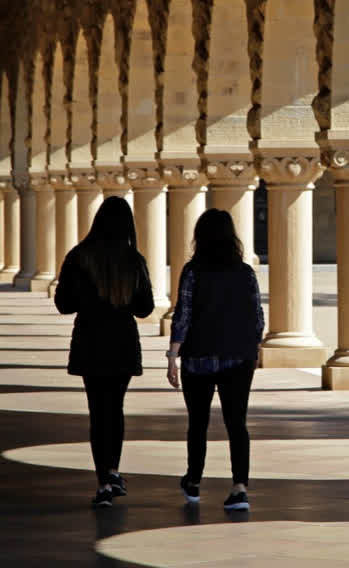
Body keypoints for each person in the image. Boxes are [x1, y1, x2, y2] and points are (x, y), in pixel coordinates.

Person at [54, 196, 155, 508]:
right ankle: (113, 470)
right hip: (122, 342)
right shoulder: (133, 260)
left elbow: (63, 304)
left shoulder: (79, 256)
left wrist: (89, 300)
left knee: (98, 412)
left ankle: (102, 483)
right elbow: (145, 308)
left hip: (90, 341)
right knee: (116, 408)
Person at [166, 209, 265, 512]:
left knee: (198, 423)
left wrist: (173, 356)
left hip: (199, 357)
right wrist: (250, 348)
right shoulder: (245, 272)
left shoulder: (193, 271)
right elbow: (258, 318)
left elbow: (182, 315)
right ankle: (239, 488)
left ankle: (194, 482)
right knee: (238, 424)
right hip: (238, 357)